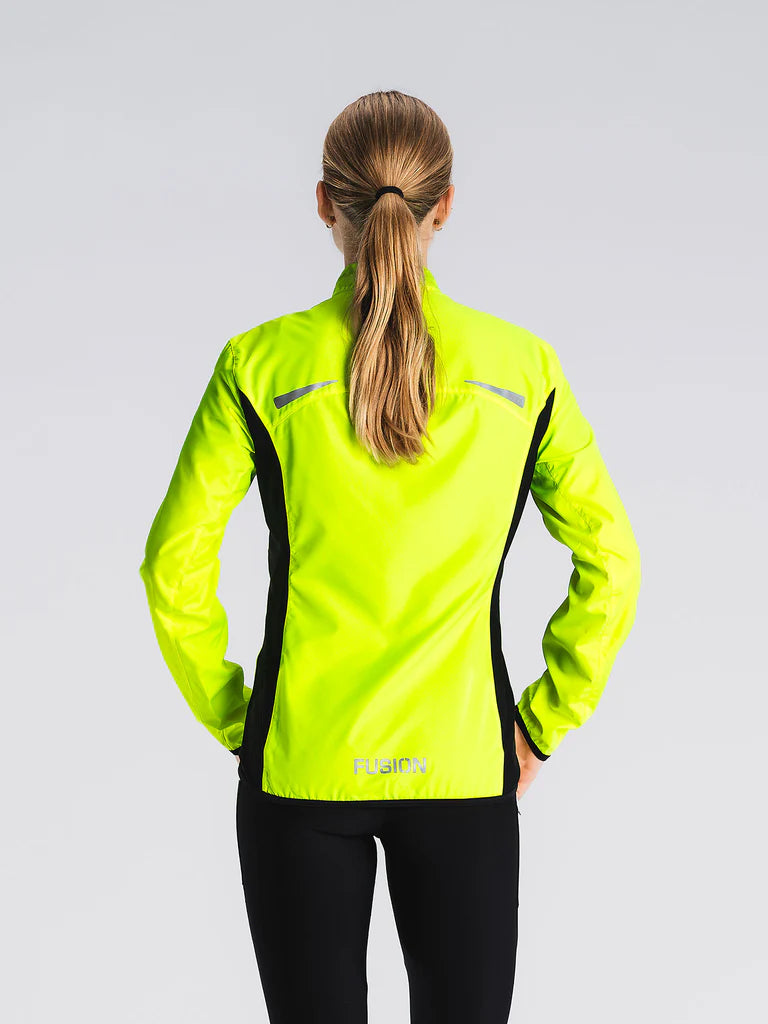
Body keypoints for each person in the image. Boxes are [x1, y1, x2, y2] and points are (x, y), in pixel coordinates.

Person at [138, 89, 641, 1024]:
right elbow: (612, 562)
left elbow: (173, 566)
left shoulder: (259, 365)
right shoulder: (523, 368)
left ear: (323, 204)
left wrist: (242, 722)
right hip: (464, 765)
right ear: (445, 206)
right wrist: (541, 723)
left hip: (301, 765)